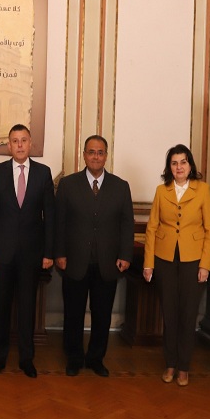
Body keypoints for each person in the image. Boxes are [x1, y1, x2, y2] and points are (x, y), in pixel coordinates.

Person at [54, 135, 134, 377]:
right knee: (73, 314)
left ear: (106, 156)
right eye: (91, 152)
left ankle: (96, 359)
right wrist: (59, 253)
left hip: (107, 263)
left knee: (102, 315)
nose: (96, 156)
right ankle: (74, 358)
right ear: (84, 155)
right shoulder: (68, 185)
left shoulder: (121, 186)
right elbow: (60, 223)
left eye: (100, 152)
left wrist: (125, 255)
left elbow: (126, 224)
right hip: (74, 261)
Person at [0, 124, 54, 378]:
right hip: (1, 253)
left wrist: (48, 252)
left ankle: (26, 359)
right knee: (1, 308)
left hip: (31, 255)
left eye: (24, 140)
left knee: (27, 309)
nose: (20, 145)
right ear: (9, 145)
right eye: (15, 141)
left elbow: (50, 217)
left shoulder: (43, 173)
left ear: (30, 143)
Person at [143, 144, 210, 387]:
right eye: (174, 163)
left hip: (193, 261)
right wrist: (148, 264)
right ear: (169, 167)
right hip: (164, 260)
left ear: (190, 165)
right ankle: (170, 363)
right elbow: (152, 228)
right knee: (170, 313)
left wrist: (205, 264)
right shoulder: (161, 190)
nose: (179, 167)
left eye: (183, 162)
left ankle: (184, 366)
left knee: (188, 313)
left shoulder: (203, 190)